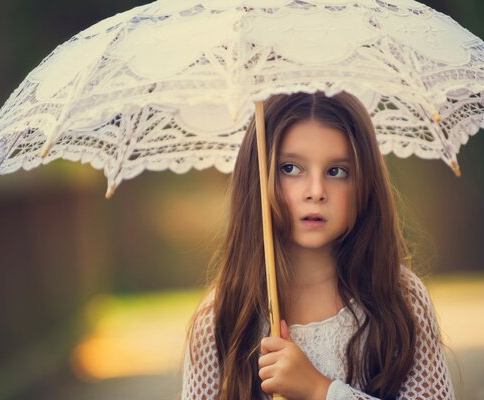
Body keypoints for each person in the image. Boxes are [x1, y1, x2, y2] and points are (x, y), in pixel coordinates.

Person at [181, 92, 455, 400]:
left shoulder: (399, 298)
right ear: (257, 175)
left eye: (336, 171)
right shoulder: (222, 317)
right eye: (291, 168)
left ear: (365, 183)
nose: (316, 191)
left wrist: (319, 390)